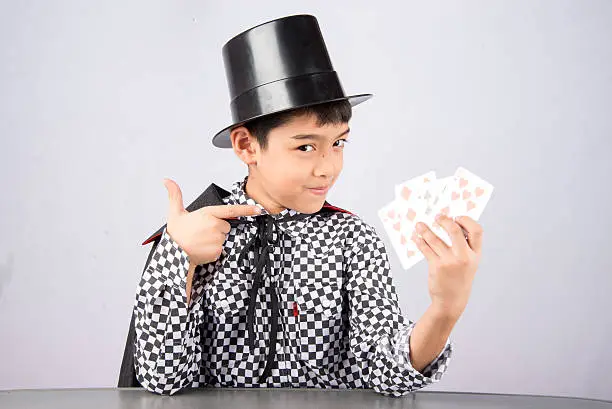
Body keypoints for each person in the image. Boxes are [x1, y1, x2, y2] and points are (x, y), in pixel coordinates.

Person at [128, 14, 483, 397]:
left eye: (338, 143)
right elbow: (164, 380)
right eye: (305, 147)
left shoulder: (352, 240)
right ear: (247, 146)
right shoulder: (197, 232)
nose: (327, 167)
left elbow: (386, 372)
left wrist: (445, 308)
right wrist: (178, 257)